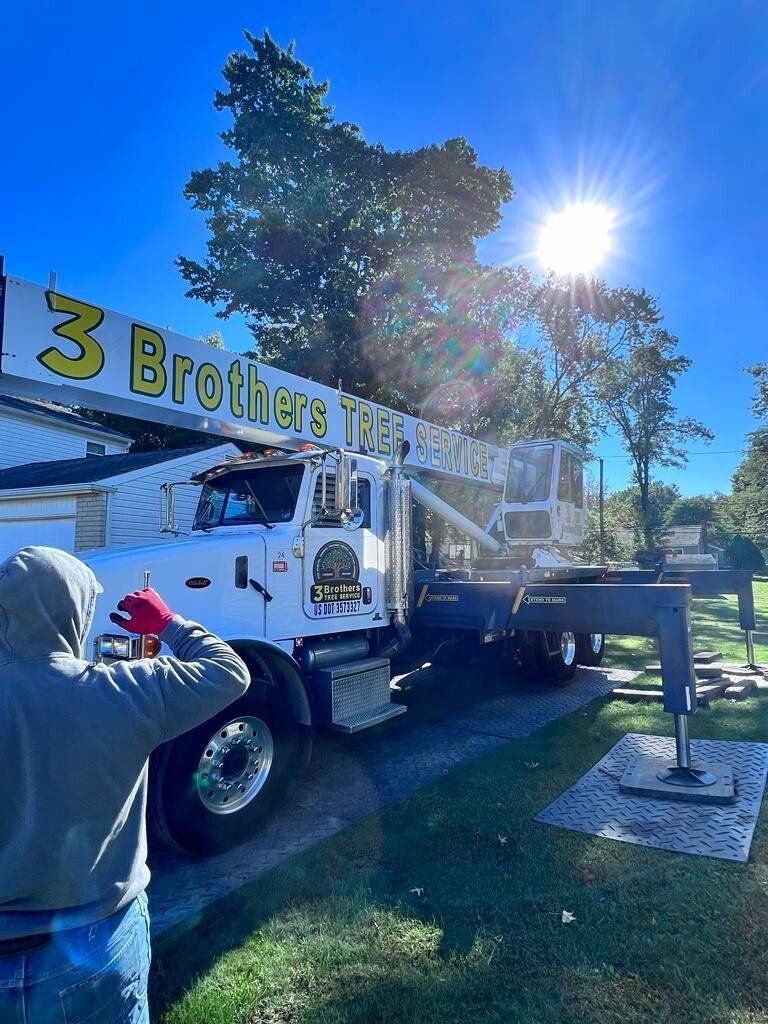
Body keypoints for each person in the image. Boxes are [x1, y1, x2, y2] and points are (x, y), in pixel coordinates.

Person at [0, 546, 250, 1023]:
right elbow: (229, 672)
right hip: (94, 942)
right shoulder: (121, 691)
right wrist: (168, 623)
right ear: (75, 611)